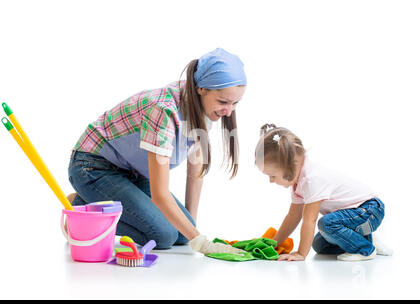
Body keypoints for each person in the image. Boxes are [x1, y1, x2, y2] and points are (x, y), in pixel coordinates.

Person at [66, 48, 246, 255]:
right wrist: (202, 243)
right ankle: (79, 207)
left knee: (180, 234)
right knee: (164, 235)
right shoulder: (163, 110)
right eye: (223, 102)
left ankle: (102, 204)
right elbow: (160, 195)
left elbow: (195, 172)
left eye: (235, 103)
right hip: (93, 167)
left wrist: (191, 231)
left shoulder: (205, 110)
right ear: (201, 89)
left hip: (131, 173)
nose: (228, 111)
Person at [254, 124, 392, 261]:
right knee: (319, 245)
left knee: (326, 224)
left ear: (291, 166)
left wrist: (301, 253)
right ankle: (365, 239)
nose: (271, 181)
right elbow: (293, 216)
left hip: (369, 210)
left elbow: (310, 220)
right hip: (354, 215)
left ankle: (365, 249)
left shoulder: (311, 180)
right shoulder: (298, 183)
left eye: (272, 176)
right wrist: (274, 243)